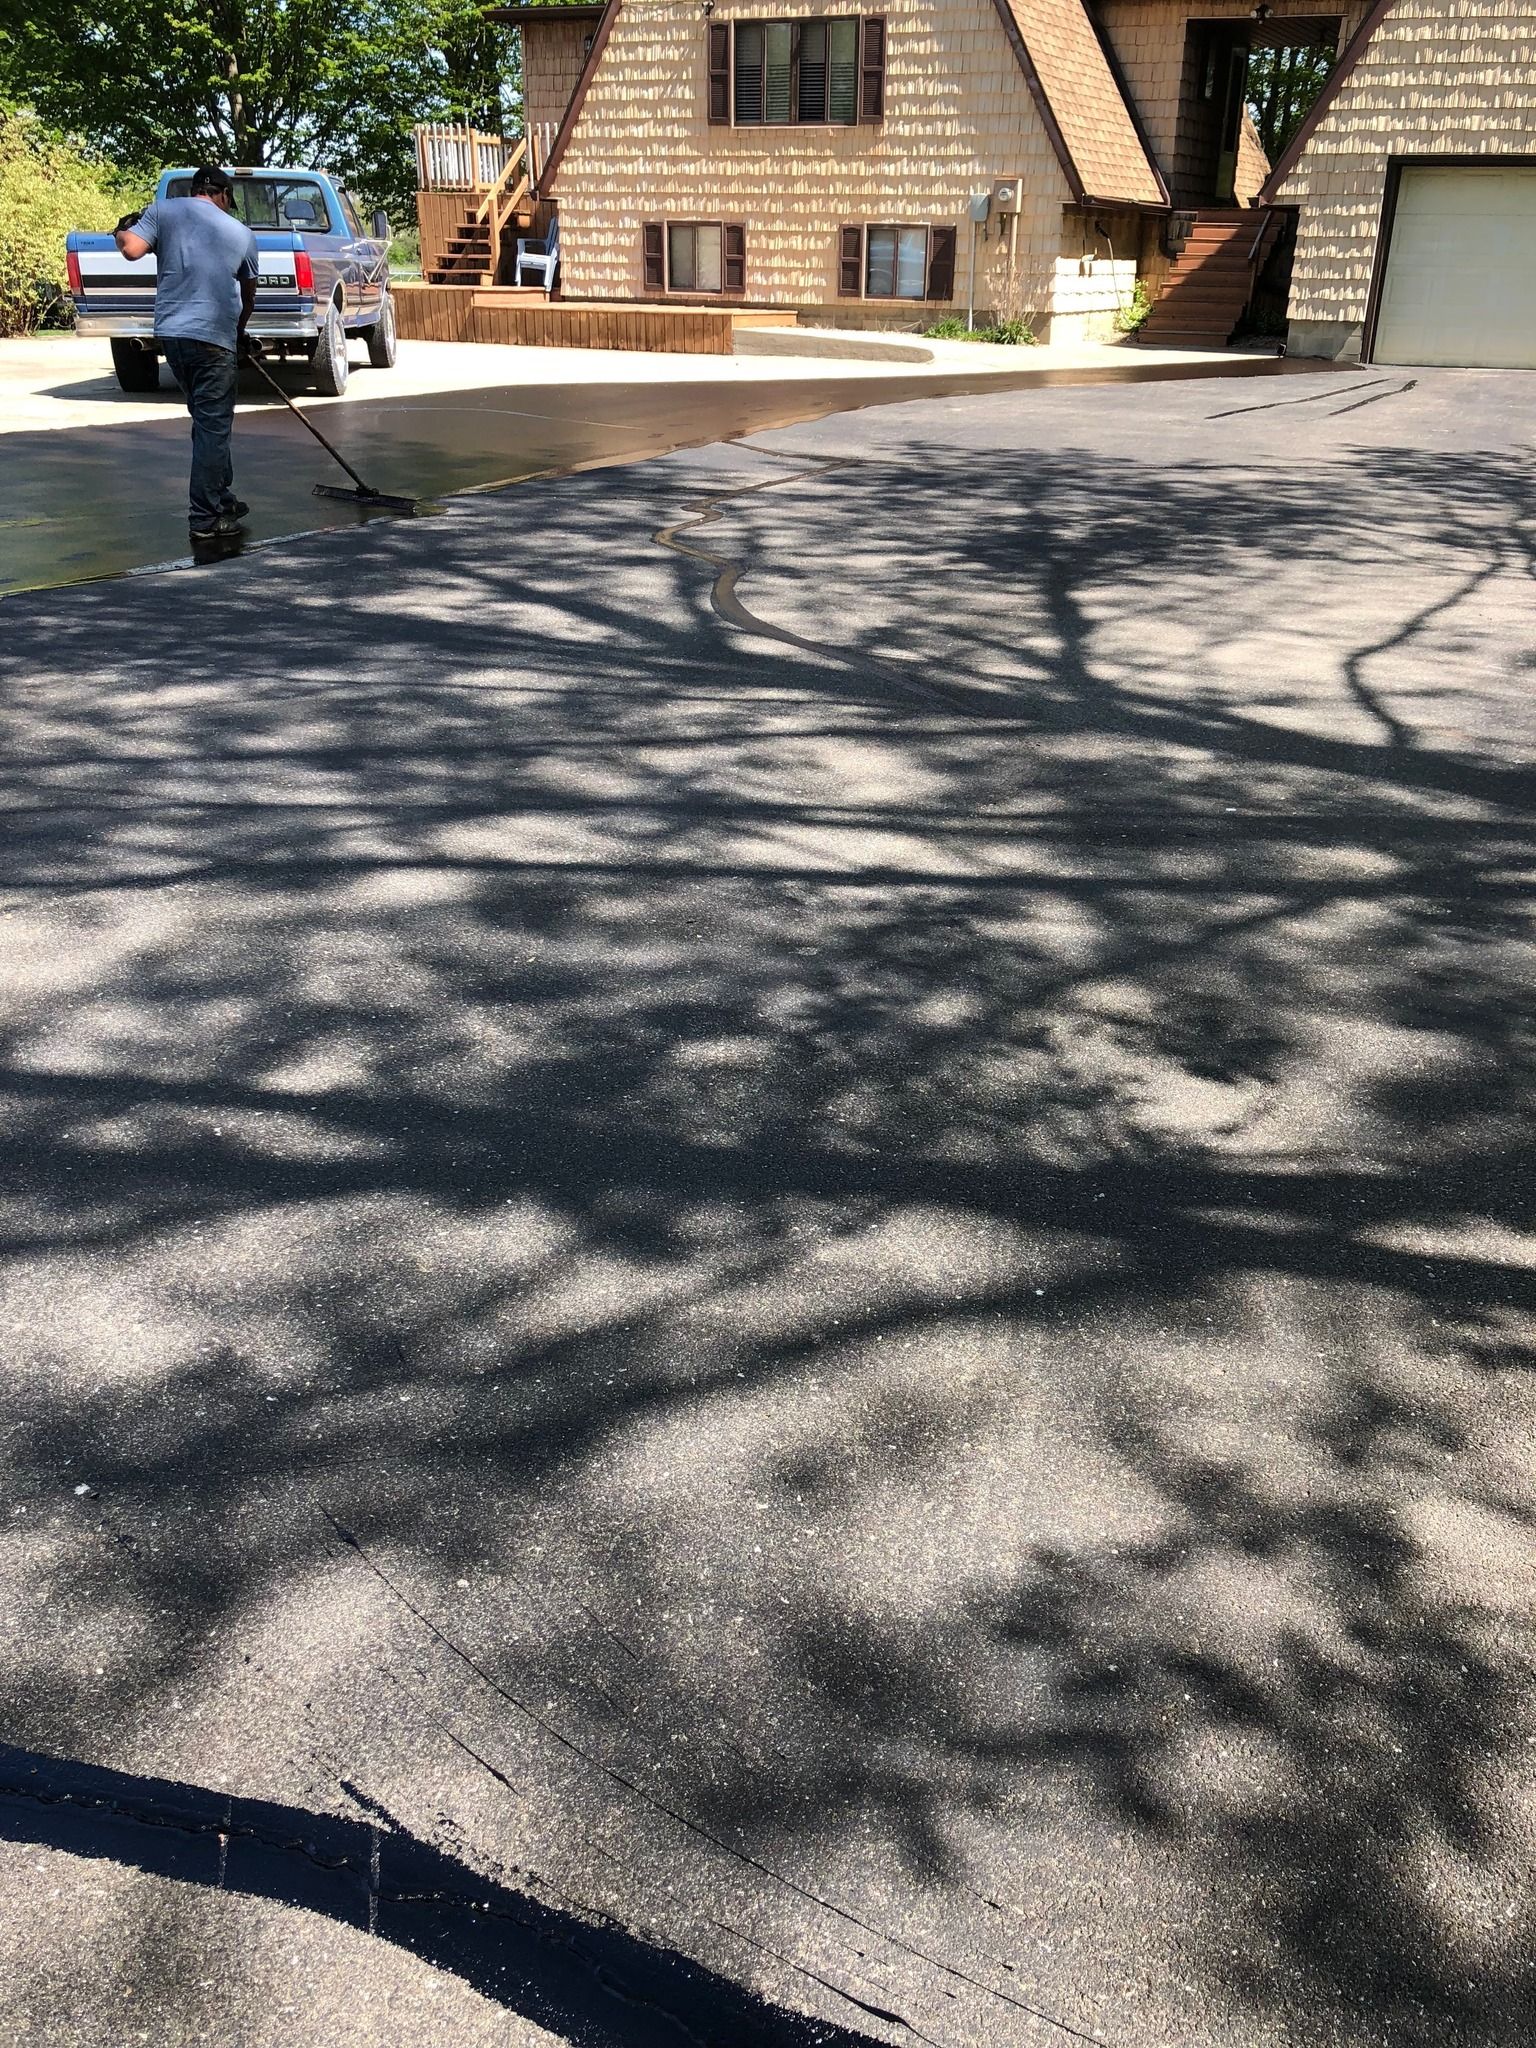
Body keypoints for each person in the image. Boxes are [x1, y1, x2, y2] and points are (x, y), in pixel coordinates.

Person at [116, 166, 260, 541]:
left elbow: (131, 249)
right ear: (224, 196)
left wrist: (121, 229)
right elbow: (248, 297)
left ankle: (221, 499)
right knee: (214, 426)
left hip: (173, 335)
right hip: (214, 337)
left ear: (195, 189)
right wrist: (239, 331)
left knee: (207, 421)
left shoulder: (164, 211)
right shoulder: (241, 233)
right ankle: (206, 518)